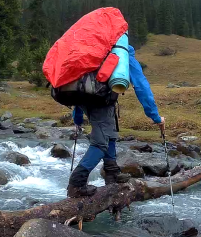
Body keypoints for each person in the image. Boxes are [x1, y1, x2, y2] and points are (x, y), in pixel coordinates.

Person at [67, 45, 164, 198]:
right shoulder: (123, 52)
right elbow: (141, 85)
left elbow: (80, 89)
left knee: (109, 132)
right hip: (101, 100)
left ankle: (112, 173)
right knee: (100, 143)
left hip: (88, 99)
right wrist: (155, 116)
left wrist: (77, 119)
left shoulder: (93, 49)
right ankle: (77, 183)